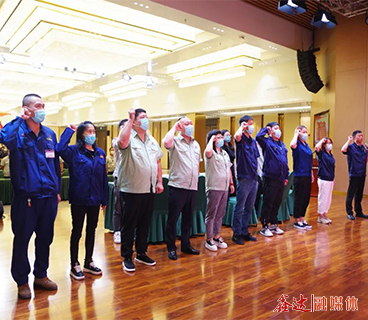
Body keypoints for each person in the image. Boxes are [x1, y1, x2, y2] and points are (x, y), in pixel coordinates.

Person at [0, 94, 61, 299]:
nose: (42, 109)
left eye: (43, 105)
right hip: (26, 197)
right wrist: (18, 119)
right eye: (37, 106)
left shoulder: (50, 134)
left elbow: (55, 166)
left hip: (48, 197)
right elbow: (3, 137)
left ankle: (41, 275)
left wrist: (57, 190)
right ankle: (22, 281)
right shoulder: (17, 133)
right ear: (27, 109)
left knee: (45, 238)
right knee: (22, 240)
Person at [57, 121, 108, 280]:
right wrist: (69, 131)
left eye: (93, 131)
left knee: (92, 230)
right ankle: (74, 263)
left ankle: (89, 261)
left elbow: (103, 178)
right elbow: (59, 149)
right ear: (81, 135)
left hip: (95, 198)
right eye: (88, 132)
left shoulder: (100, 153)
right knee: (77, 230)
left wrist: (104, 198)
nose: (92, 134)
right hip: (79, 198)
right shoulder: (74, 152)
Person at [118, 108, 164, 272]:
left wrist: (159, 181)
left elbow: (157, 161)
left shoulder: (151, 140)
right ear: (135, 121)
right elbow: (121, 143)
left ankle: (141, 252)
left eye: (147, 117)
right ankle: (126, 257)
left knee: (145, 224)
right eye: (142, 117)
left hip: (149, 189)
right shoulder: (128, 137)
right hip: (132, 189)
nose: (146, 120)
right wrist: (129, 121)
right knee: (129, 225)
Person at [163, 116, 201, 260]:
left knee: (188, 219)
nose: (190, 125)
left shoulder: (195, 144)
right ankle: (171, 248)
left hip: (192, 187)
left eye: (191, 123)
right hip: (177, 186)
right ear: (180, 126)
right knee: (173, 219)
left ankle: (186, 245)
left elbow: (197, 164)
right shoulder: (175, 141)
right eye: (187, 123)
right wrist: (174, 128)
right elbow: (166, 143)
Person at [256, 122, 288, 237]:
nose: (278, 130)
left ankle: (274, 224)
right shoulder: (267, 142)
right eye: (275, 128)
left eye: (279, 128)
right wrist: (266, 129)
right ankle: (264, 226)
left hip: (280, 177)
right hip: (270, 177)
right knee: (268, 202)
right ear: (271, 131)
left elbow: (285, 160)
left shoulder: (282, 144)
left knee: (276, 202)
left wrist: (286, 176)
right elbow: (258, 137)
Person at [204, 130, 234, 251]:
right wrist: (211, 139)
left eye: (222, 137)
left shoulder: (224, 153)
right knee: (211, 214)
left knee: (220, 213)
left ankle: (217, 236)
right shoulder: (210, 153)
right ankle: (209, 239)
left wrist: (231, 183)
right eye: (218, 137)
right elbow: (208, 151)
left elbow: (229, 169)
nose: (221, 139)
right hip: (214, 187)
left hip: (224, 187)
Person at [232, 115, 259, 244]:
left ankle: (244, 231)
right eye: (249, 123)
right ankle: (236, 233)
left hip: (254, 178)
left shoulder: (253, 141)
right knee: (240, 207)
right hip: (244, 178)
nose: (252, 126)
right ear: (244, 125)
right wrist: (241, 128)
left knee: (249, 207)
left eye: (252, 123)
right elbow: (236, 137)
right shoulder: (241, 138)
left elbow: (256, 159)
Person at [290, 126, 313, 230]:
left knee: (306, 198)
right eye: (303, 132)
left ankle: (302, 218)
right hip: (299, 175)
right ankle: (297, 220)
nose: (305, 134)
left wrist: (311, 173)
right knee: (299, 198)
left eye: (305, 132)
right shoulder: (297, 144)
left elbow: (309, 160)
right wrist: (296, 134)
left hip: (307, 174)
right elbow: (292, 145)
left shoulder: (306, 145)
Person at [341, 130, 368, 220]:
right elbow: (343, 150)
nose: (361, 137)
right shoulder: (351, 147)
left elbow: (366, 160)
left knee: (359, 194)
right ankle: (349, 212)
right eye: (359, 136)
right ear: (354, 137)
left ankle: (358, 211)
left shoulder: (363, 148)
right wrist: (349, 140)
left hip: (362, 174)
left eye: (362, 136)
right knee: (351, 194)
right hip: (354, 174)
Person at [111, 119, 128, 244]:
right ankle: (117, 231)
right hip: (119, 177)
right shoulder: (116, 141)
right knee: (119, 206)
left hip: (132, 179)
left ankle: (127, 230)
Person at [315, 137, 335, 224]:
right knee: (323, 198)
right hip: (323, 178)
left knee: (328, 198)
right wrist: (322, 140)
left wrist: (333, 179)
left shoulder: (331, 155)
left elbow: (333, 168)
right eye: (327, 143)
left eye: (330, 143)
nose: (329, 145)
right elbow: (317, 148)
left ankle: (324, 213)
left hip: (330, 179)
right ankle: (320, 216)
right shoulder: (321, 154)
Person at [221, 129, 236, 195]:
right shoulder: (222, 148)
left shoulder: (231, 147)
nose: (229, 136)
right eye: (226, 135)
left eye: (229, 135)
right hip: (225, 168)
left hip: (232, 168)